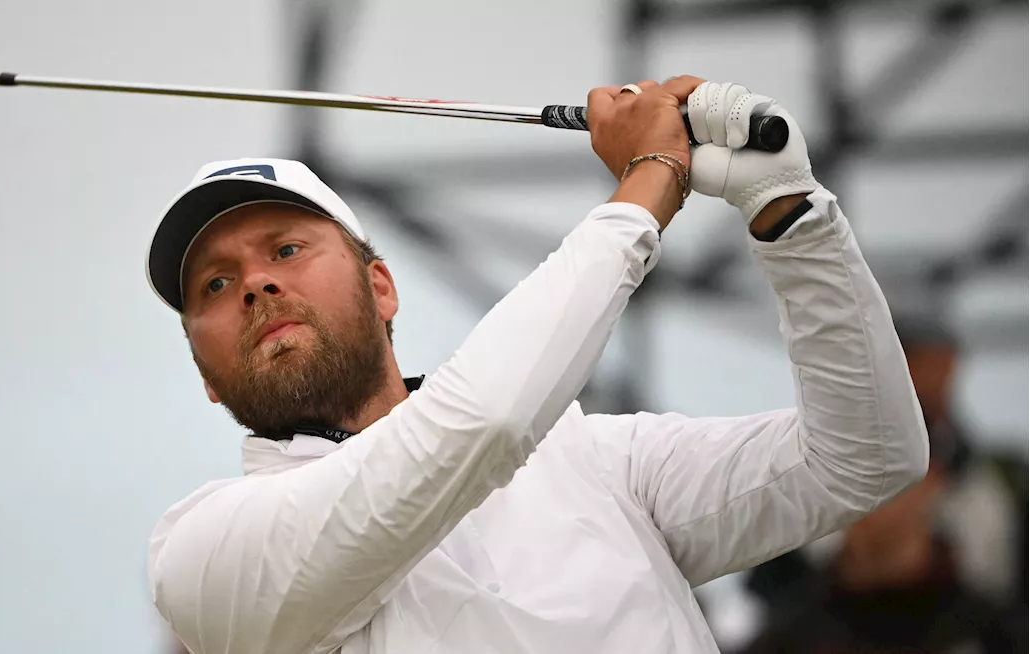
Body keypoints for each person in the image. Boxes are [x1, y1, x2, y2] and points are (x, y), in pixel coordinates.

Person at [143, 76, 930, 653]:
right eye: (216, 283)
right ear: (205, 377)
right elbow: (483, 424)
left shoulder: (590, 457)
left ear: (381, 288)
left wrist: (788, 211)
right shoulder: (201, 554)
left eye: (285, 249)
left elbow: (863, 457)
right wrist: (650, 182)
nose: (257, 284)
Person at [738, 315, 1030, 653]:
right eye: (846, 473)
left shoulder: (991, 632)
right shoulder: (785, 634)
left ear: (934, 481)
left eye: (884, 476)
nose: (863, 498)